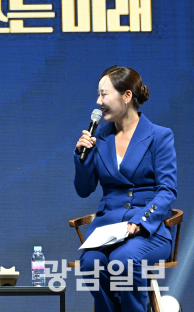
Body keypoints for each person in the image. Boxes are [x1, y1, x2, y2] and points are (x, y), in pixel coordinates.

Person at [74, 66, 177, 312]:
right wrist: (82, 156)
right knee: (90, 263)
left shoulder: (159, 136)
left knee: (124, 259)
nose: (98, 102)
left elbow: (167, 191)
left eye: (104, 94)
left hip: (147, 230)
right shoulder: (100, 138)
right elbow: (84, 189)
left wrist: (142, 221)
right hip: (107, 230)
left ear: (127, 96)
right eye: (98, 95)